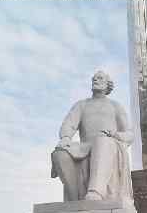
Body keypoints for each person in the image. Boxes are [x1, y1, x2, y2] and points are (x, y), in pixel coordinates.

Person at [51, 70, 134, 202]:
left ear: (108, 85)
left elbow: (130, 135)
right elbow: (69, 124)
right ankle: (75, 199)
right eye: (94, 78)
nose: (95, 80)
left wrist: (115, 135)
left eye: (100, 78)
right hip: (85, 147)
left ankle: (96, 191)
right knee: (59, 153)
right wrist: (66, 137)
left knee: (102, 141)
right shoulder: (82, 105)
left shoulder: (115, 106)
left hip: (109, 145)